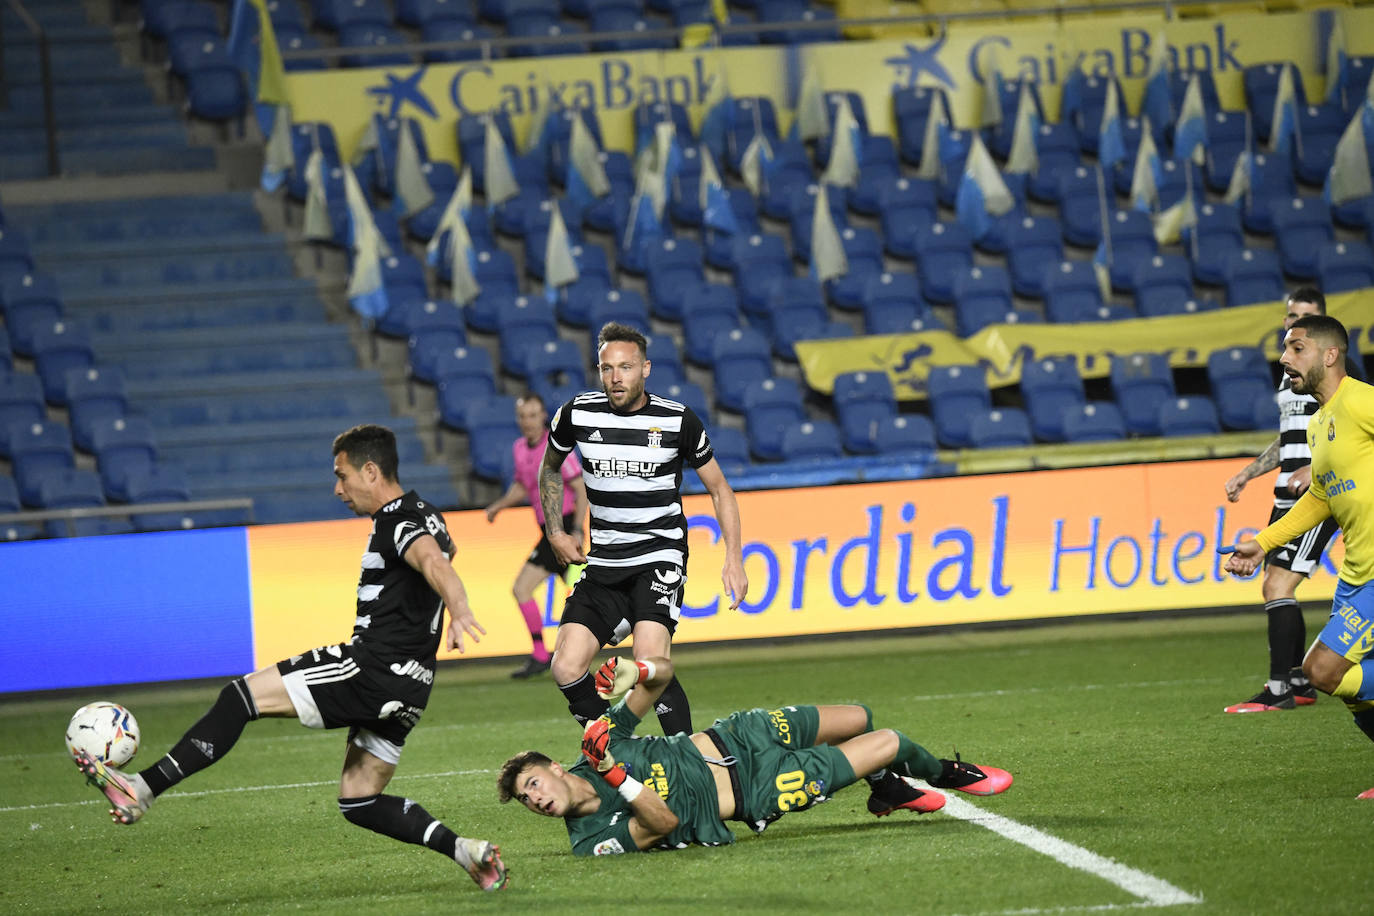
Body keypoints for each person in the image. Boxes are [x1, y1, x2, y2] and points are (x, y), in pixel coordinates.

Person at [73, 424, 509, 891]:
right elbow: (443, 552)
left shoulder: (396, 521)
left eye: (342, 476)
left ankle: (142, 788)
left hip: (371, 670)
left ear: (371, 471)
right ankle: (466, 851)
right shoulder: (429, 514)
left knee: (240, 698)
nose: (337, 489)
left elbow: (433, 561)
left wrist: (460, 609)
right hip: (413, 688)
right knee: (359, 799)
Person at [496, 655, 1013, 855]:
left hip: (743, 734)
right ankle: (945, 772)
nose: (534, 799)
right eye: (525, 799)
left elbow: (664, 678)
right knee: (891, 742)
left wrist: (639, 671)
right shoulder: (590, 840)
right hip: (760, 788)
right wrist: (614, 777)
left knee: (859, 717)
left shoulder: (599, 743)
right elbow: (662, 822)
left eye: (533, 783)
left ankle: (886, 788)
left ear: (554, 768)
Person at [538, 321, 748, 736]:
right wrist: (555, 531)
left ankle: (689, 759)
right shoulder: (577, 414)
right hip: (604, 563)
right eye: (607, 368)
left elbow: (720, 489)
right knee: (565, 666)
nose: (616, 377)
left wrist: (734, 558)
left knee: (649, 659)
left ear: (646, 369)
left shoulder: (677, 420)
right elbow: (550, 469)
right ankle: (616, 748)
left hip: (658, 556)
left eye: (626, 367)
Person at [1224, 316, 1374, 797]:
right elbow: (1321, 498)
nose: (1284, 358)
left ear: (1330, 355)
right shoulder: (1318, 423)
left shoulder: (1362, 401)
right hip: (1356, 573)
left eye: (1296, 348)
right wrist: (1262, 542)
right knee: (1350, 692)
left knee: (1320, 671)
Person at [1220, 288, 1341, 713]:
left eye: (1305, 316)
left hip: (1318, 494)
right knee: (1276, 582)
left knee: (1277, 584)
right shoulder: (1292, 372)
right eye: (1291, 315)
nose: (1295, 322)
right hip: (1285, 494)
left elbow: (1348, 425)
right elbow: (1289, 437)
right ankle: (1297, 681)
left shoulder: (1334, 369)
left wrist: (1318, 467)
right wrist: (1248, 473)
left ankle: (1278, 690)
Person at [484, 393, 589, 680]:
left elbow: (580, 489)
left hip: (564, 528)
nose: (527, 421)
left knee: (569, 594)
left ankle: (553, 655)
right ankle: (545, 655)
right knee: (576, 594)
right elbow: (523, 485)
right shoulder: (520, 448)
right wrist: (499, 506)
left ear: (543, 416)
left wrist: (577, 530)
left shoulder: (556, 447)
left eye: (532, 415)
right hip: (548, 532)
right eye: (522, 416)